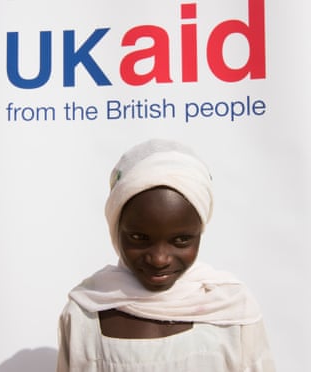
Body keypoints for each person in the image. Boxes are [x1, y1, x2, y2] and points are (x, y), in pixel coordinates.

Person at [57, 139, 275, 371]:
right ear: (116, 228)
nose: (159, 259)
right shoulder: (86, 312)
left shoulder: (233, 310)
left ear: (200, 231)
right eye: (139, 238)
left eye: (181, 240)